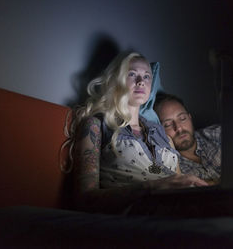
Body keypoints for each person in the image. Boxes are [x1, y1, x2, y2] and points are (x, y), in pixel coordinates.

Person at [68, 51, 208, 214]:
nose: (141, 82)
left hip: (178, 211)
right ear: (117, 80)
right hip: (134, 217)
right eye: (132, 74)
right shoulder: (95, 125)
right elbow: (85, 200)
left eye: (147, 76)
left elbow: (178, 183)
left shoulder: (162, 135)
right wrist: (152, 187)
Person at [154, 92, 221, 185]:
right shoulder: (168, 167)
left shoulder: (218, 134)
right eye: (168, 124)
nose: (179, 128)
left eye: (182, 118)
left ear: (190, 117)